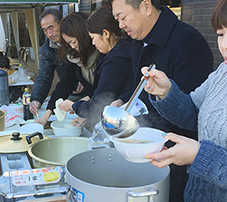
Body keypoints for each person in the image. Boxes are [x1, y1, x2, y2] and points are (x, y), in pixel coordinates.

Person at [109, 0, 214, 201]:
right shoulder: (138, 43)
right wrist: (123, 102)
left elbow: (192, 111)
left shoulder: (188, 42)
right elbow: (139, 87)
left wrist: (164, 96)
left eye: (122, 17)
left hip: (179, 157)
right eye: (117, 19)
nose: (120, 25)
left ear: (146, 7)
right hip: (146, 149)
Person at [141, 1, 227, 200]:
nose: (223, 45)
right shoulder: (222, 72)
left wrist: (199, 155)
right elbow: (193, 113)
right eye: (221, 34)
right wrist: (166, 92)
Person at [58, 7, 133, 127]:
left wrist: (73, 105)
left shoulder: (115, 61)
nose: (93, 43)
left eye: (93, 38)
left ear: (106, 34)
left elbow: (98, 104)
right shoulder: (120, 51)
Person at [35, 12, 100, 127]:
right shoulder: (74, 55)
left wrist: (78, 106)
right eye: (45, 30)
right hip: (90, 104)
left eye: (73, 42)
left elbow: (105, 92)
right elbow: (64, 83)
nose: (72, 47)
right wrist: (46, 114)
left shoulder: (102, 54)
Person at [29, 9, 78, 116]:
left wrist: (83, 78)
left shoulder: (77, 38)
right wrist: (36, 99)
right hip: (67, 93)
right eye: (45, 30)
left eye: (51, 28)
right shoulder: (47, 49)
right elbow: (44, 76)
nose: (49, 34)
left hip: (90, 93)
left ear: (61, 23)